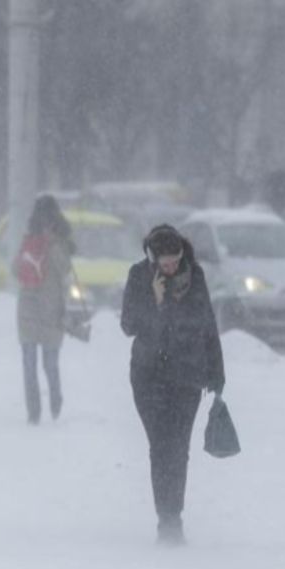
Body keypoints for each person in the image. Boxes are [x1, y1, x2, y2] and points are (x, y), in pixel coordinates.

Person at [121, 224, 225, 545]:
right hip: (148, 375)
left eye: (174, 260)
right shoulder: (139, 277)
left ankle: (173, 517)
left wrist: (217, 372)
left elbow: (207, 323)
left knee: (178, 447)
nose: (169, 267)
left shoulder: (195, 277)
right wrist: (154, 301)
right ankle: (164, 515)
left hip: (187, 374)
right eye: (163, 262)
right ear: (152, 257)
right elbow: (128, 324)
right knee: (160, 445)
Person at [15, 195, 74, 425]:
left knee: (43, 364)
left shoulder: (55, 243)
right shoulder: (33, 241)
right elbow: (15, 269)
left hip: (43, 311)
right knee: (37, 364)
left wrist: (50, 246)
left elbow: (63, 269)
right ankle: (37, 410)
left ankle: (48, 404)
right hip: (37, 310)